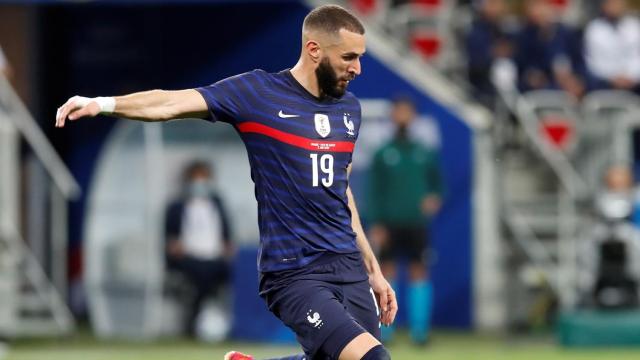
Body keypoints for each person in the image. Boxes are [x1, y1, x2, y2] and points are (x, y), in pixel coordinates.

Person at [55, 5, 396, 360]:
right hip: (296, 271)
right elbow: (171, 102)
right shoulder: (258, 93)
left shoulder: (349, 109)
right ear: (313, 50)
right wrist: (103, 103)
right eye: (349, 57)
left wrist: (373, 270)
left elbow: (340, 192)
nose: (357, 68)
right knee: (374, 358)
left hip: (346, 265)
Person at [368, 96, 443, 345]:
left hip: (416, 223)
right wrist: (376, 222)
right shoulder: (383, 153)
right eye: (398, 112)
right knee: (386, 273)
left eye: (406, 112)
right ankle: (385, 331)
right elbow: (373, 190)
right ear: (392, 116)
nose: (402, 116)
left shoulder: (423, 152)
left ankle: (420, 333)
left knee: (419, 272)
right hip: (389, 223)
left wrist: (434, 197)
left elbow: (438, 185)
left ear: (413, 116)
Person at [165, 161, 233, 337]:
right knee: (199, 279)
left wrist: (227, 249)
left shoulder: (218, 204)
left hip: (215, 258)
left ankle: (217, 323)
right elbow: (170, 239)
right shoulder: (177, 206)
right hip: (189, 258)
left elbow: (227, 235)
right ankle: (195, 324)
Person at [515, 0, 585, 98]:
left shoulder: (565, 33)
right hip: (544, 83)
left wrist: (576, 79)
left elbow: (579, 61)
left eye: (541, 6)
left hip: (569, 80)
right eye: (534, 6)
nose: (538, 11)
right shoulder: (524, 35)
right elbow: (524, 67)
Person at [465, 0, 516, 106]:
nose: (496, 8)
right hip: (482, 89)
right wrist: (493, 53)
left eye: (499, 3)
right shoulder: (475, 31)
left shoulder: (506, 30)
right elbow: (475, 63)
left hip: (507, 91)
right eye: (493, 4)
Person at [584, 0, 640, 93]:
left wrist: (631, 76)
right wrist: (614, 78)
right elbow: (593, 61)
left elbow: (636, 56)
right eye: (612, 3)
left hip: (634, 81)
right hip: (604, 82)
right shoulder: (594, 28)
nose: (615, 7)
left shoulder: (635, 26)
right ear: (604, 6)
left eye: (618, 3)